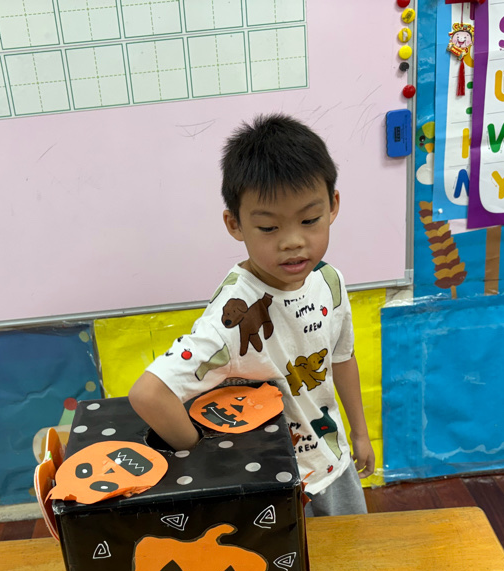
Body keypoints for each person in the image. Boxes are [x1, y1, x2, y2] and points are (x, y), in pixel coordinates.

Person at [128, 114, 374, 516]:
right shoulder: (229, 318)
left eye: (309, 220)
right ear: (235, 224)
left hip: (333, 463)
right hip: (272, 491)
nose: (293, 241)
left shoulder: (329, 280)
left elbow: (342, 357)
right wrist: (209, 461)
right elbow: (149, 394)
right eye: (268, 227)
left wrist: (359, 435)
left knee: (354, 554)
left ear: (333, 206)